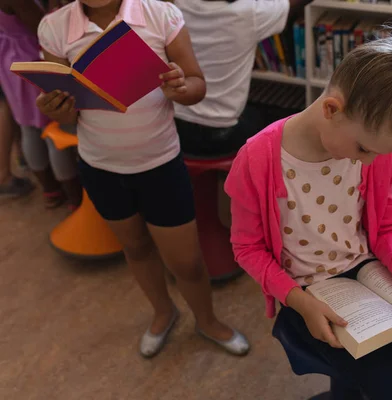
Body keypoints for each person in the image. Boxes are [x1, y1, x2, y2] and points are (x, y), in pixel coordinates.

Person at [225, 17, 392, 400]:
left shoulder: (374, 155)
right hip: (307, 290)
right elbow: (247, 248)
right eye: (364, 149)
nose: (371, 162)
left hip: (371, 272)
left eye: (383, 153)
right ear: (331, 109)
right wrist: (300, 302)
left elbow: (387, 227)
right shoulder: (259, 158)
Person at [36, 0, 249, 358]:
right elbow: (69, 113)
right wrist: (59, 109)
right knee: (135, 248)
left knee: (187, 262)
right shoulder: (55, 28)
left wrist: (182, 87)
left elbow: (197, 84)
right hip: (100, 166)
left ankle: (207, 320)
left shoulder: (159, 14)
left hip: (160, 163)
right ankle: (164, 312)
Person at [173, 0, 310, 158]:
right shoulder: (250, 13)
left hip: (177, 128)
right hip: (225, 135)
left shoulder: (179, 6)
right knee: (280, 117)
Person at [0, 0, 80, 209]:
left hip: (11, 56)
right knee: (53, 129)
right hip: (32, 59)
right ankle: (74, 197)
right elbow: (43, 27)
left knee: (30, 127)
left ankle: (51, 190)